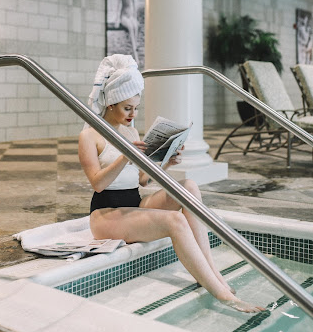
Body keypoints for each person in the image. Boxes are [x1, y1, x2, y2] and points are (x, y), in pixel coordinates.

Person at [79, 54, 265, 314]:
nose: (134, 114)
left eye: (136, 107)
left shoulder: (130, 132)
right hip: (106, 214)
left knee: (188, 186)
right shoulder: (89, 136)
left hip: (134, 202)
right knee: (175, 222)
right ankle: (224, 295)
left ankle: (212, 273)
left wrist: (165, 162)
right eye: (127, 108)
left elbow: (141, 179)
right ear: (111, 103)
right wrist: (125, 156)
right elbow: (98, 184)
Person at [114, 0, 139, 64]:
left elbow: (134, 3)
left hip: (131, 15)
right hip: (123, 15)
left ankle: (133, 51)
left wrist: (135, 17)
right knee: (131, 28)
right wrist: (116, 19)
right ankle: (135, 56)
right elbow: (117, 2)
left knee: (136, 26)